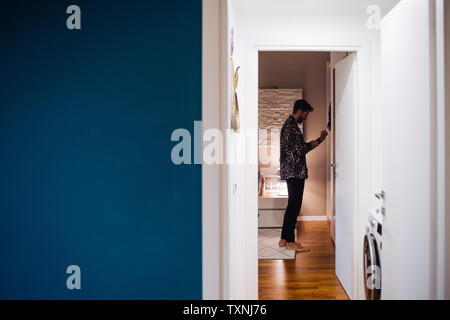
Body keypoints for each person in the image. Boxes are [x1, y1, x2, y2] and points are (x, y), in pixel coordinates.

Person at [279, 99, 328, 252]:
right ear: (300, 111)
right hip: (295, 172)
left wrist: (318, 141)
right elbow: (301, 150)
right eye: (306, 114)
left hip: (291, 171)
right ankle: (291, 242)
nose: (306, 117)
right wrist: (319, 140)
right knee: (294, 206)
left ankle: (283, 239)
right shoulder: (292, 128)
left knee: (291, 205)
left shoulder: (289, 125)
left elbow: (297, 149)